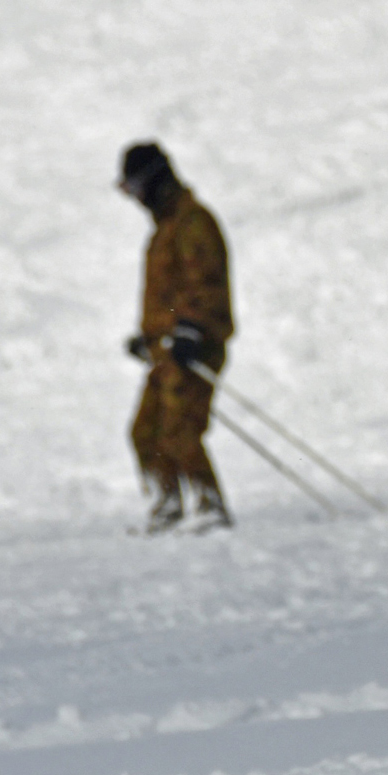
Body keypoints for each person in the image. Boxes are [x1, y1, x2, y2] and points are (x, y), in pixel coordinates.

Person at [122, 142, 235, 533]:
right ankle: (166, 503)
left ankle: (209, 505)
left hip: (195, 347)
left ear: (152, 181)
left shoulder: (192, 222)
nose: (134, 199)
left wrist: (190, 329)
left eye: (134, 188)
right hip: (167, 350)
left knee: (179, 429)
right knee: (145, 430)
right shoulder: (165, 229)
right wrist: (149, 336)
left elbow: (204, 282)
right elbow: (168, 295)